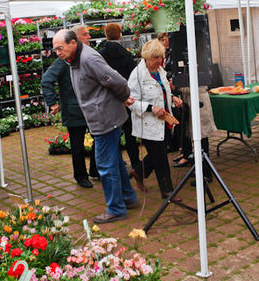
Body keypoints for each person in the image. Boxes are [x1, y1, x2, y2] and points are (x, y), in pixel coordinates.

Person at [52, 29, 138, 224]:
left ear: (73, 43)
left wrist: (124, 98)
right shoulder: (73, 59)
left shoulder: (89, 59)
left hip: (106, 119)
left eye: (60, 48)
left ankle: (116, 208)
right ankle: (128, 198)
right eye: (55, 49)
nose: (58, 52)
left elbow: (118, 81)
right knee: (113, 159)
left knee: (105, 165)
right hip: (101, 117)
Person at [127, 40, 183, 200]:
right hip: (148, 123)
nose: (159, 61)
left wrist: (173, 99)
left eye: (161, 57)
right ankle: (167, 190)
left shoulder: (161, 71)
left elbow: (163, 93)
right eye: (156, 58)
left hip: (164, 119)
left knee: (158, 152)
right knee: (160, 157)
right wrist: (151, 108)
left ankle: (137, 171)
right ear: (146, 57)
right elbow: (130, 101)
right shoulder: (137, 74)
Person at [42, 52, 98, 188]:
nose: (88, 37)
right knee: (77, 146)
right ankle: (80, 176)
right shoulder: (63, 61)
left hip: (90, 108)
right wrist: (52, 103)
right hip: (73, 110)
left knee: (99, 138)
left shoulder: (86, 57)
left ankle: (95, 170)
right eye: (84, 35)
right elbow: (47, 79)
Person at [97, 23, 140, 172]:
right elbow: (133, 77)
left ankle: (117, 165)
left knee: (112, 133)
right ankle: (136, 164)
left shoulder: (100, 54)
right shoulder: (126, 54)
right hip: (125, 97)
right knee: (130, 132)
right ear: (120, 35)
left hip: (108, 99)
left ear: (106, 35)